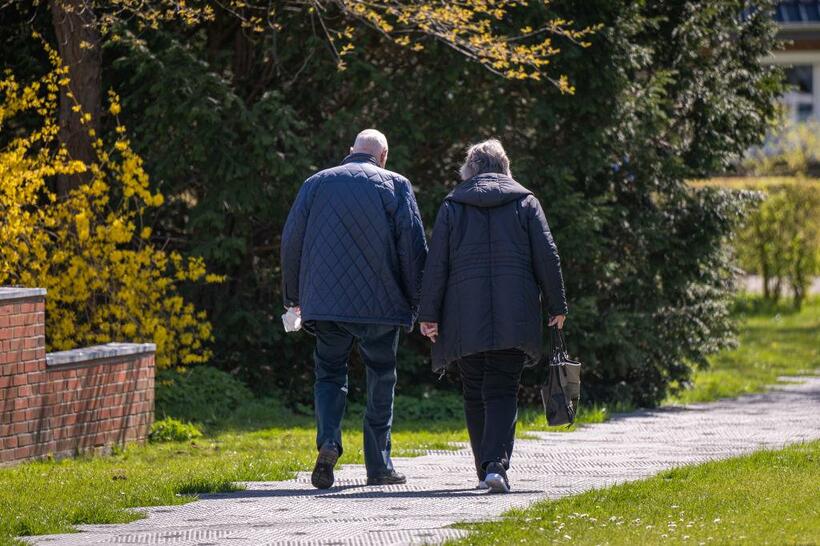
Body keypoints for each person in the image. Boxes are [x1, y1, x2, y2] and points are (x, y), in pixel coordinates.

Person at [417, 139, 567, 494]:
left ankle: (485, 467)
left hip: (463, 314)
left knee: (474, 389)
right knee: (501, 388)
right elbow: (548, 255)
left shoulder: (453, 206)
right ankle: (495, 465)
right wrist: (557, 304)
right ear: (505, 166)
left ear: (469, 169)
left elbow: (436, 264)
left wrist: (429, 314)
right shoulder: (526, 202)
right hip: (515, 312)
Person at [280, 129, 427, 489]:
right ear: (384, 156)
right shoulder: (396, 186)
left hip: (326, 306)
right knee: (381, 376)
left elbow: (291, 242)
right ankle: (379, 465)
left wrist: (292, 296)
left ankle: (329, 442)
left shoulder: (315, 183)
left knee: (329, 375)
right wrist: (419, 302)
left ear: (351, 152)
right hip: (381, 306)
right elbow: (412, 248)